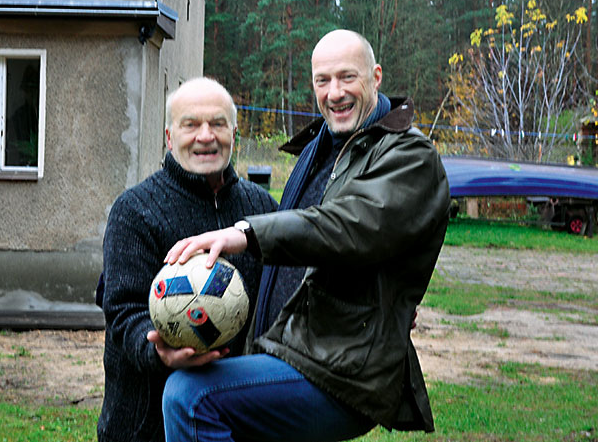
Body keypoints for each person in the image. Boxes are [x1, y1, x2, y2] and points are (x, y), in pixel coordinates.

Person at [161, 29, 451, 441]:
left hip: (340, 370)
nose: (335, 93)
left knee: (191, 396)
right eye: (322, 81)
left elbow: (345, 226)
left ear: (376, 76)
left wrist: (245, 233)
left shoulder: (409, 156)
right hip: (288, 351)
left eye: (347, 77)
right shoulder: (322, 146)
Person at [97, 77, 278, 442]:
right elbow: (123, 311)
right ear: (168, 136)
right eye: (191, 124)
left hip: (236, 419)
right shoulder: (135, 211)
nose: (205, 136)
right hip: (145, 425)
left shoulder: (261, 210)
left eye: (218, 124)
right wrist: (157, 350)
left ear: (234, 133)